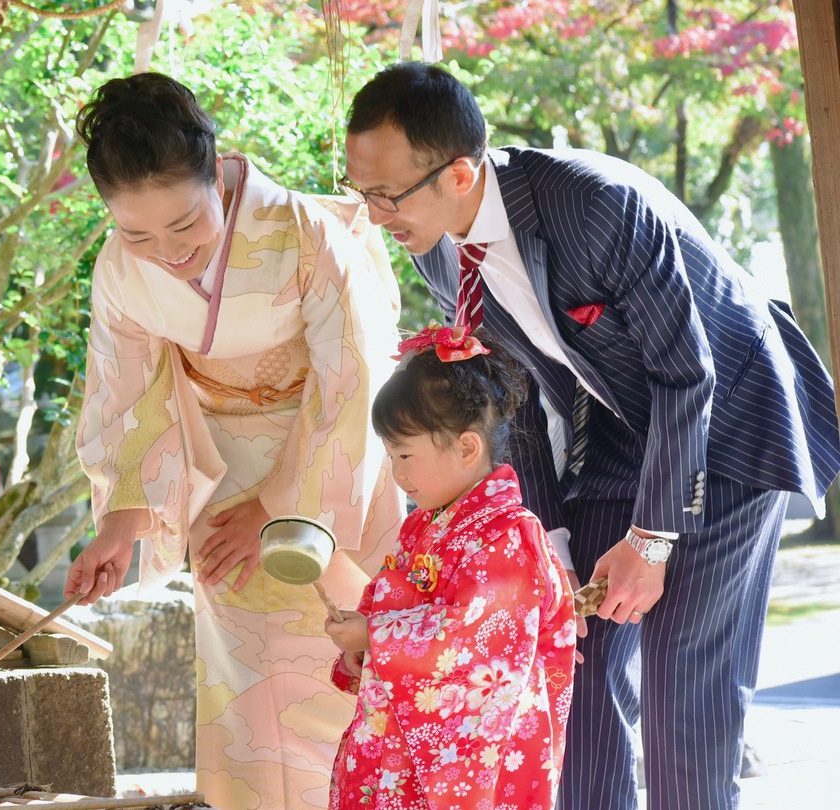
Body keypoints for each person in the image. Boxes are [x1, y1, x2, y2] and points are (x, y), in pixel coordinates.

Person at [341, 61, 840, 810]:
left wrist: (651, 540)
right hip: (615, 435)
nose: (375, 214)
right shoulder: (437, 246)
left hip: (734, 422)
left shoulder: (595, 204)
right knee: (572, 654)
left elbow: (686, 374)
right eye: (361, 192)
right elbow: (512, 403)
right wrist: (553, 548)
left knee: (683, 693)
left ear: (458, 173)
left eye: (387, 194)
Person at [64, 72, 405, 810]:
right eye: (137, 234)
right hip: (222, 473)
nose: (166, 252)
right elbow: (126, 398)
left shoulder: (305, 233)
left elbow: (357, 378)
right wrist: (120, 525)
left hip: (333, 473)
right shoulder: (120, 273)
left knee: (360, 674)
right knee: (252, 694)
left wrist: (280, 510)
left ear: (215, 173)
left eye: (185, 224)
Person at [325, 324, 575, 810]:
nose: (397, 473)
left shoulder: (509, 536)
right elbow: (390, 594)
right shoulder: (424, 524)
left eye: (404, 454)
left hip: (459, 758)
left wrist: (377, 637)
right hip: (398, 735)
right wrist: (361, 640)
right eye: (390, 455)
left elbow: (473, 638)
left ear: (466, 447)